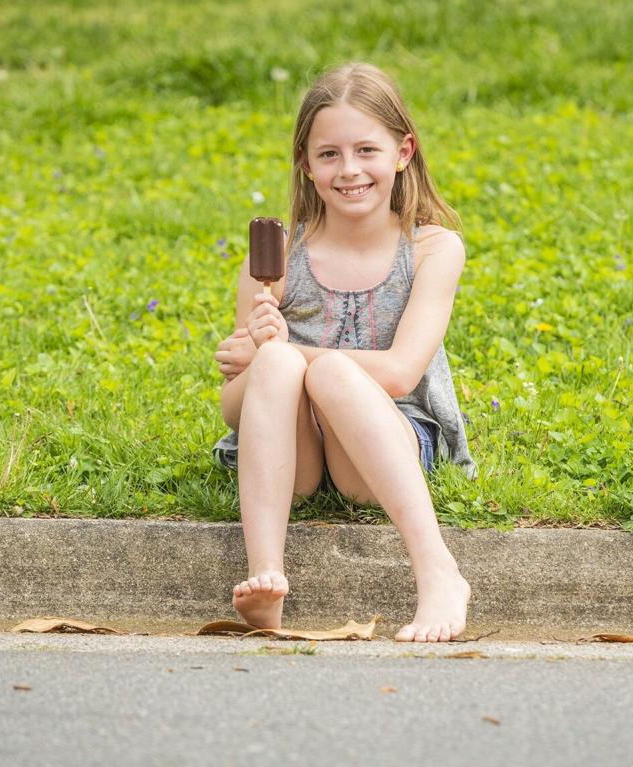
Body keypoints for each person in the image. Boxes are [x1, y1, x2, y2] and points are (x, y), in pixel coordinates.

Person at [211, 62, 476, 643]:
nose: (349, 170)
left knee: (325, 368)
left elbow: (403, 374)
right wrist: (258, 359)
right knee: (280, 364)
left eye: (366, 150)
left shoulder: (432, 249)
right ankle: (265, 575)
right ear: (305, 163)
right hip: (294, 462)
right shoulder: (276, 259)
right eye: (329, 154)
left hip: (384, 450)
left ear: (403, 151)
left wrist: (287, 350)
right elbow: (236, 409)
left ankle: (438, 572)